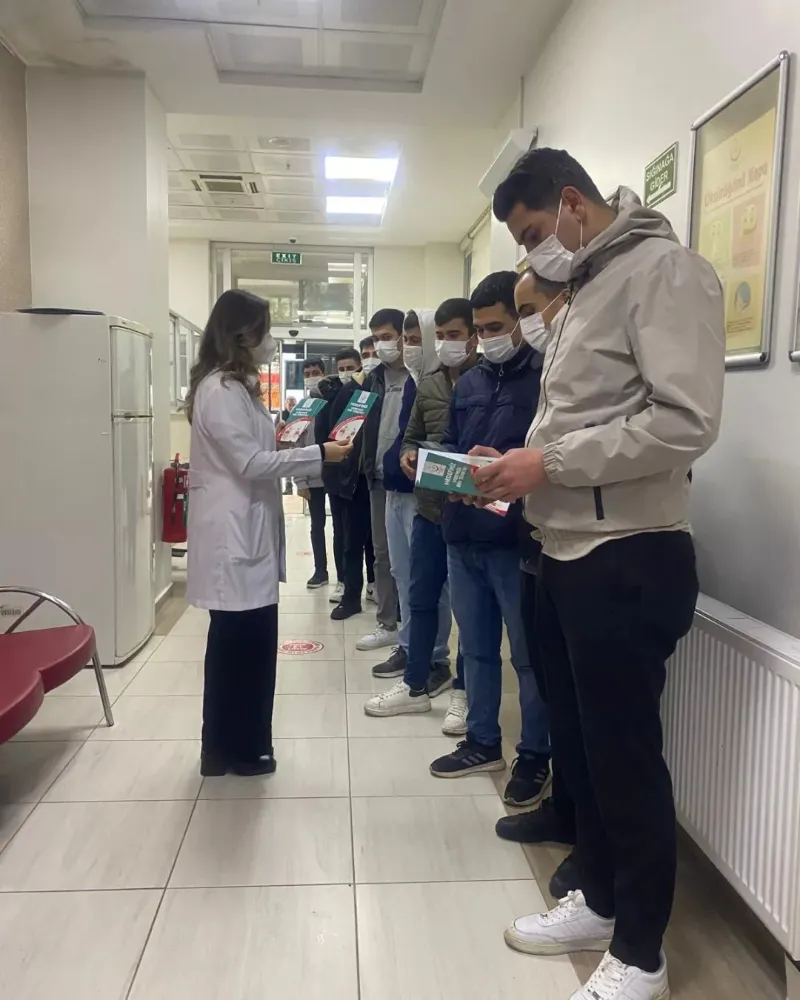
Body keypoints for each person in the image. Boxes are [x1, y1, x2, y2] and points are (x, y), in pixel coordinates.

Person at [480, 148, 724, 1000]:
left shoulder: (665, 271)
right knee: (580, 747)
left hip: (627, 554)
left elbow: (686, 422)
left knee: (625, 758)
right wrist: (515, 465)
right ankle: (599, 896)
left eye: (531, 234)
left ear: (573, 203)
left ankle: (644, 954)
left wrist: (546, 464)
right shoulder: (586, 283)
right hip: (563, 550)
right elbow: (577, 415)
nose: (531, 254)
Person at [184, 290, 351, 777]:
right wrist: (319, 453)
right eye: (266, 330)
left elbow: (252, 452)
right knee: (242, 649)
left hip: (245, 531)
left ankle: (231, 747)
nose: (271, 340)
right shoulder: (220, 389)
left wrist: (287, 442)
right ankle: (236, 749)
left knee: (242, 648)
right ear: (242, 335)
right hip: (233, 538)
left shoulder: (237, 388)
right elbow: (250, 463)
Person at [429, 271, 551, 813]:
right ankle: (482, 742)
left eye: (496, 327)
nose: (486, 338)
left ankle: (535, 756)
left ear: (521, 321)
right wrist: (445, 469)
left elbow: (549, 460)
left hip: (515, 540)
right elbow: (453, 443)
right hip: (463, 535)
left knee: (526, 657)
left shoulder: (546, 377)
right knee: (475, 649)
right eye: (480, 330)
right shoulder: (470, 382)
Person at [492, 268, 581, 902]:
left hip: (594, 550)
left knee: (590, 716)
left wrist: (536, 466)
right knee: (558, 692)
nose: (527, 327)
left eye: (531, 310)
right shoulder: (550, 366)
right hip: (540, 546)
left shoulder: (585, 360)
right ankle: (565, 810)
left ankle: (595, 858)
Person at [364, 298, 477, 735]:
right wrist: (409, 453)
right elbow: (410, 435)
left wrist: (440, 455)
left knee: (469, 609)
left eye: (454, 335)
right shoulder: (427, 384)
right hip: (428, 507)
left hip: (471, 510)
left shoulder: (483, 382)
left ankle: (463, 689)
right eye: (439, 337)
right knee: (420, 593)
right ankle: (415, 684)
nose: (443, 344)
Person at [355, 308, 408, 663]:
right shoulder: (373, 379)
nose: (380, 345)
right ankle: (386, 622)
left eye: (386, 337)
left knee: (411, 558)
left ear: (404, 336)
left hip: (410, 480)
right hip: (376, 475)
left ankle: (411, 626)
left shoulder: (422, 373)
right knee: (383, 554)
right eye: (376, 339)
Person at [323, 345, 377, 614]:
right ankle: (351, 595)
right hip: (355, 478)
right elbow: (336, 435)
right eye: (366, 354)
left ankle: (383, 593)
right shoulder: (349, 392)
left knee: (382, 545)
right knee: (351, 541)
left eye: (374, 353)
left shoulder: (394, 385)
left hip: (383, 477)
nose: (372, 359)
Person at [294, 356, 344, 591]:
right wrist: (300, 481)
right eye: (307, 374)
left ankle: (342, 576)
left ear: (324, 373)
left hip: (333, 474)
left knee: (339, 527)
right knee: (317, 526)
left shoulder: (334, 401)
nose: (312, 377)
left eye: (315, 373)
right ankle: (320, 571)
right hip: (312, 476)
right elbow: (295, 445)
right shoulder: (303, 408)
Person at [281, 395, 298, 495]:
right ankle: (288, 485)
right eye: (290, 405)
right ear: (285, 404)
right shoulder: (281, 415)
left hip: (296, 442)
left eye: (294, 405)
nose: (292, 407)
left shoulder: (298, 414)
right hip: (284, 443)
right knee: (286, 465)